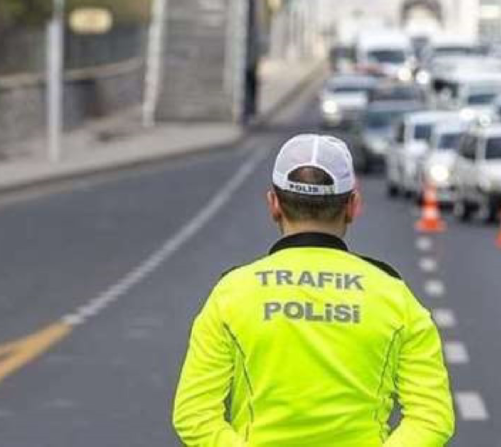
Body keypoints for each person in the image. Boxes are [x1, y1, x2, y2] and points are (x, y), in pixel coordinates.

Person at [173, 134, 455, 446]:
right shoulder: (394, 296)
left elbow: (193, 415)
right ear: (352, 206)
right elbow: (432, 417)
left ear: (274, 204)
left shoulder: (232, 293)